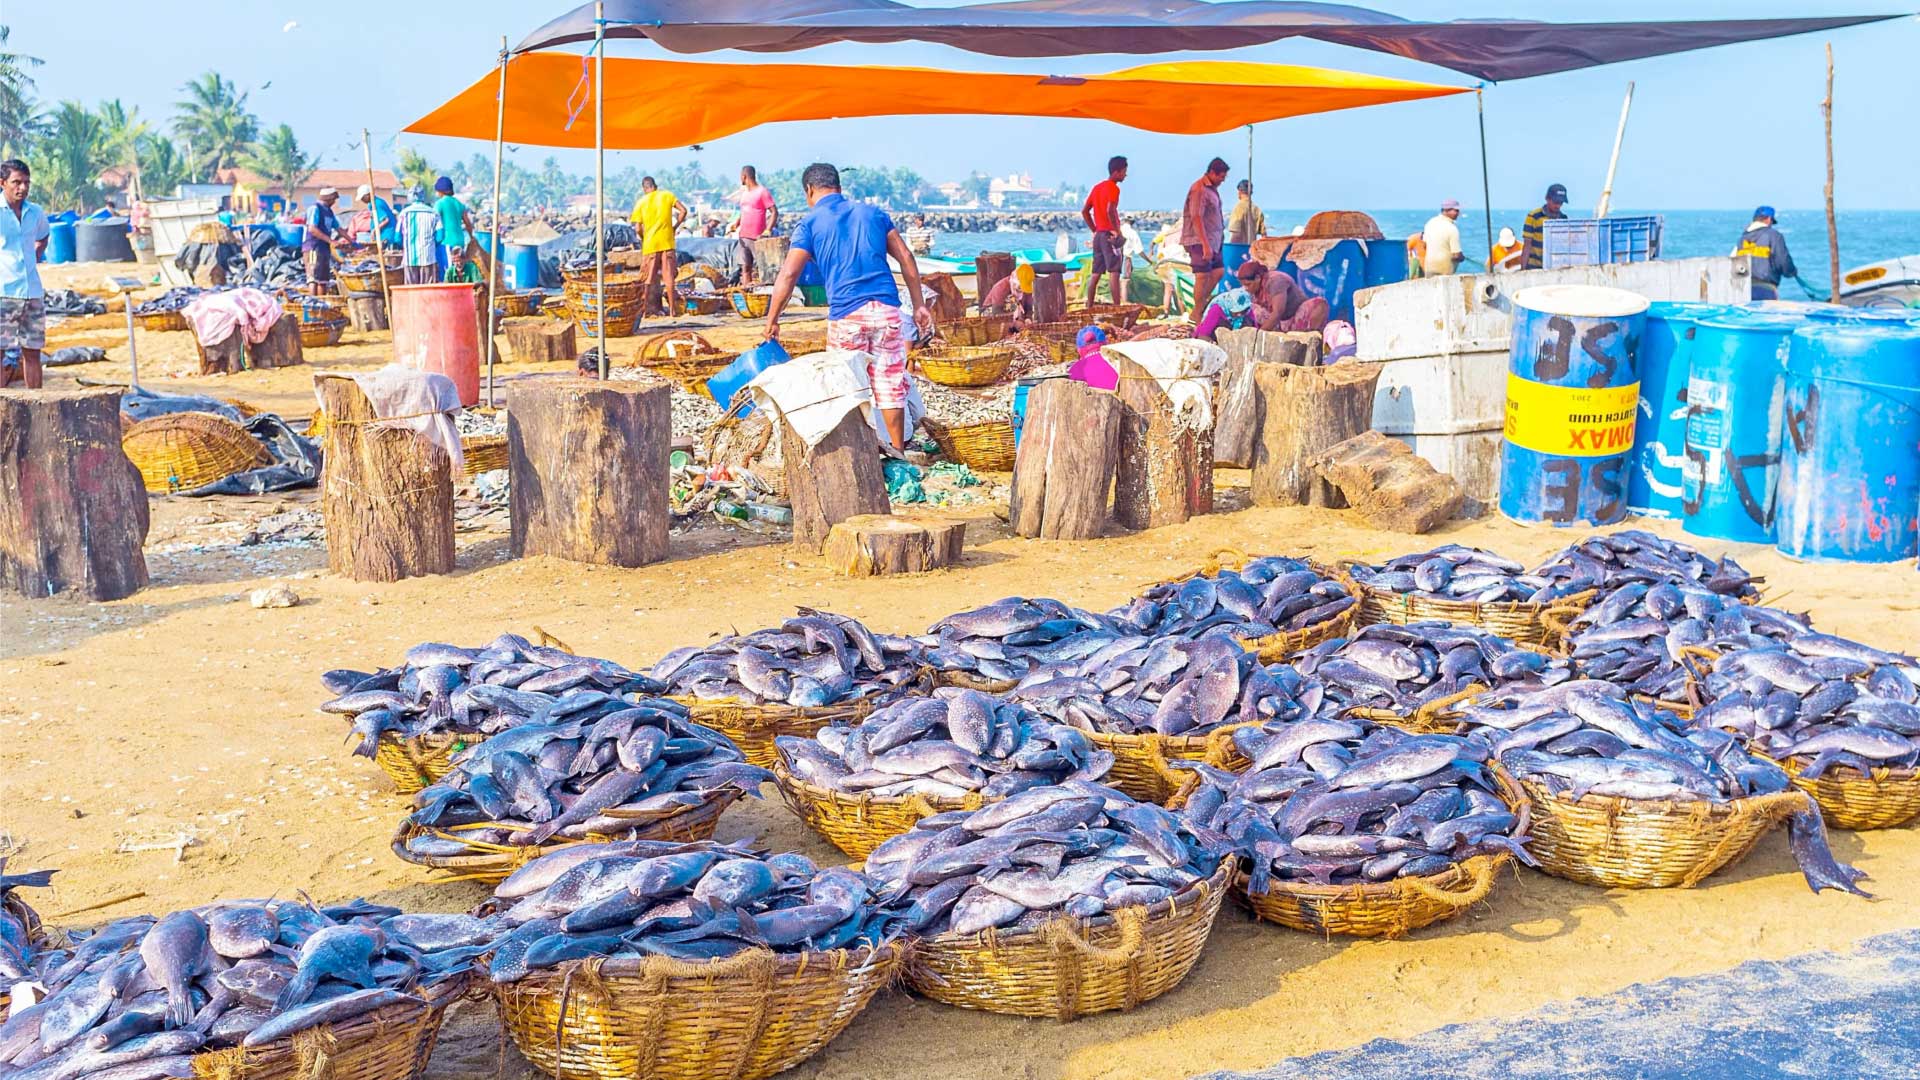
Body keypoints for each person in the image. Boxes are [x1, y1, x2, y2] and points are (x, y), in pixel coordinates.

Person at [763, 162, 932, 453]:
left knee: (847, 385)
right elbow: (905, 257)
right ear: (839, 187)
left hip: (846, 314)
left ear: (809, 190)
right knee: (890, 383)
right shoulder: (874, 214)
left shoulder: (810, 224)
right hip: (886, 309)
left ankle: (858, 454)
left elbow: (789, 275)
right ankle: (898, 452)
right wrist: (918, 305)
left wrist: (772, 319)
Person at [0, 160, 50, 389]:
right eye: (16, 182)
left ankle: (36, 405)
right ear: (3, 183)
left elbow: (44, 235)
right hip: (4, 293)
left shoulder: (35, 212)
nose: (22, 188)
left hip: (32, 292)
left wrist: (35, 256)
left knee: (32, 352)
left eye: (26, 182)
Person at [630, 176, 686, 316]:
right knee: (669, 278)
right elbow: (683, 211)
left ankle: (643, 310)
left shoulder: (641, 202)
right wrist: (675, 227)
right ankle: (673, 310)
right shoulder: (667, 195)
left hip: (650, 244)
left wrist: (644, 238)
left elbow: (637, 228)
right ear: (655, 185)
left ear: (644, 188)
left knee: (647, 279)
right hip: (667, 242)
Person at [1181, 157, 1230, 309]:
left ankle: (1200, 305)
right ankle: (1197, 311)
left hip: (1214, 240)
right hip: (1199, 240)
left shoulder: (1212, 190)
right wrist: (1205, 245)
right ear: (1213, 173)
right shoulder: (1199, 189)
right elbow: (1196, 216)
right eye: (1221, 177)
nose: (1223, 180)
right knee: (1202, 276)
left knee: (1218, 271)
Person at [1080, 155, 1126, 306]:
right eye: (1124, 171)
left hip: (1099, 235)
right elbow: (1110, 210)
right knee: (1114, 271)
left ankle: (1089, 305)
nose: (1125, 175)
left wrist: (1094, 229)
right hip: (1108, 234)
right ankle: (1117, 306)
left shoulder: (1097, 188)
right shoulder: (1113, 188)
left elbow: (1085, 211)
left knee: (1096, 273)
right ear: (1117, 172)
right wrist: (1117, 231)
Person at [1235, 260, 1329, 333]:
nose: (1245, 288)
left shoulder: (1276, 281)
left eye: (1248, 284)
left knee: (1319, 304)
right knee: (1250, 308)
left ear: (1258, 278)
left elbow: (1278, 312)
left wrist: (1259, 336)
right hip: (1279, 324)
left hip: (1295, 318)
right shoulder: (1253, 289)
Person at [1734, 206, 1799, 301]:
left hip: (1743, 289)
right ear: (1768, 219)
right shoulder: (1774, 236)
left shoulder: (1742, 239)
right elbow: (1783, 261)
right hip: (1765, 289)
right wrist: (1792, 272)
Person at [731, 165, 779, 284]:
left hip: (757, 237)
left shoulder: (762, 191)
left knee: (762, 267)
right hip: (743, 236)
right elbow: (746, 211)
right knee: (745, 268)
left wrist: (767, 230)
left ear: (744, 176)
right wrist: (737, 223)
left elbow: (774, 212)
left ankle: (765, 292)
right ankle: (748, 294)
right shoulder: (745, 193)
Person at [303, 187, 347, 296]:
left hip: (324, 248)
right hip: (313, 247)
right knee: (313, 278)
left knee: (323, 280)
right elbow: (312, 229)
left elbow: (339, 229)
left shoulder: (329, 212)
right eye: (334, 199)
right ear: (329, 198)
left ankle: (321, 304)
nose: (334, 202)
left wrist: (351, 241)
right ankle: (313, 303)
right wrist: (331, 241)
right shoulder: (315, 208)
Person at [432, 176, 475, 283]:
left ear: (440, 191)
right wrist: (471, 237)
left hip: (446, 242)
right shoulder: (459, 204)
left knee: (448, 272)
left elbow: (434, 220)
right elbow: (468, 224)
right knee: (459, 270)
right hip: (460, 241)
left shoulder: (439, 204)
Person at [398, 186, 439, 285]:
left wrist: (404, 246)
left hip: (409, 258)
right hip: (428, 257)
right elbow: (440, 235)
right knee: (428, 288)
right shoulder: (433, 213)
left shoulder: (404, 213)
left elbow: (397, 237)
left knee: (411, 289)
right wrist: (432, 245)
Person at [1521, 183, 1568, 271]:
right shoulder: (1534, 216)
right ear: (1547, 199)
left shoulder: (1563, 219)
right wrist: (1523, 270)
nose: (1558, 206)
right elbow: (1527, 245)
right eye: (1555, 202)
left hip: (1555, 268)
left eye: (1561, 203)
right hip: (1534, 268)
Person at [1224, 179, 1265, 275]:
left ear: (1240, 191)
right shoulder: (1257, 209)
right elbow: (1264, 235)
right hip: (1251, 252)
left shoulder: (1238, 208)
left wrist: (1231, 254)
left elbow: (1236, 233)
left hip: (1239, 251)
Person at [1191, 284, 1257, 342]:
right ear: (1229, 306)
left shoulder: (1247, 310)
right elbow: (1203, 335)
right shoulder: (1217, 309)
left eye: (1242, 312)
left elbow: (1255, 332)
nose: (1239, 315)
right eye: (1235, 312)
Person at [1421, 198, 1466, 277]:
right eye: (1456, 210)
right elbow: (1456, 255)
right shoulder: (1452, 228)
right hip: (1445, 272)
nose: (1458, 213)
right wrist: (1462, 257)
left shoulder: (1430, 223)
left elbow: (1424, 245)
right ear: (1446, 210)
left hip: (1429, 268)